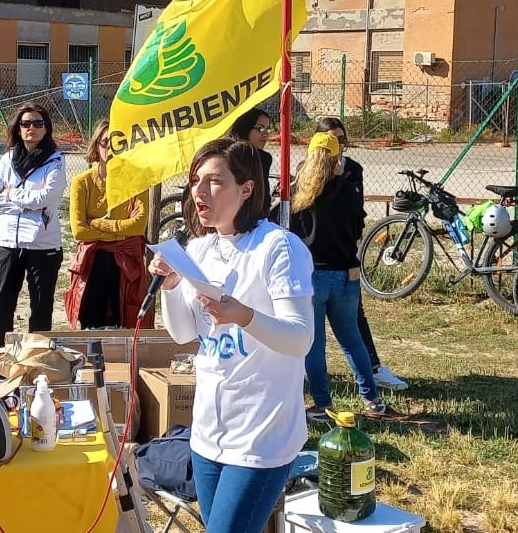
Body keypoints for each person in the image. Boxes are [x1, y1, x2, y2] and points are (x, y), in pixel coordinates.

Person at [148, 139, 314, 533]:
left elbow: (300, 338)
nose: (199, 192)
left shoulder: (278, 248)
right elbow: (185, 332)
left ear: (247, 188)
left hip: (261, 435)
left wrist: (242, 315)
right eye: (194, 181)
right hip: (208, 432)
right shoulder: (200, 248)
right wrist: (171, 287)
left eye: (214, 182)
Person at [290, 132, 396, 421]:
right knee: (352, 340)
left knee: (315, 345)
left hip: (312, 277)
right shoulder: (348, 190)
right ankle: (373, 401)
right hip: (346, 275)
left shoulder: (298, 193)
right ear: (338, 159)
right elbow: (359, 228)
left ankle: (323, 405)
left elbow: (288, 234)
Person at [315, 117, 408, 392]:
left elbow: (357, 214)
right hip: (316, 262)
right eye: (332, 139)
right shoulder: (305, 170)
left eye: (342, 140)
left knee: (354, 319)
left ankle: (373, 370)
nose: (338, 146)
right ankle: (314, 386)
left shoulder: (352, 170)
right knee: (313, 327)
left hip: (343, 259)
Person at [0, 104, 66, 354]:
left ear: (46, 128)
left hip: (43, 245)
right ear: (18, 129)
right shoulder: (8, 159)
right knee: (1, 305)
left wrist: (12, 194)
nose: (31, 128)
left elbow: (46, 198)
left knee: (41, 308)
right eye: (26, 123)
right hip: (8, 243)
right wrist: (26, 203)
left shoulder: (56, 160)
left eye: (37, 123)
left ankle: (37, 357)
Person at [65, 119, 150, 329]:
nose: (111, 148)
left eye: (118, 142)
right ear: (96, 146)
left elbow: (139, 226)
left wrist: (100, 225)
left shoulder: (137, 182)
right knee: (92, 320)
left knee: (129, 320)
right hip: (93, 260)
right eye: (105, 142)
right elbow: (79, 230)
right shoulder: (82, 182)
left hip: (128, 260)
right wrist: (121, 231)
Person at [227, 107, 273, 183]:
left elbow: (264, 193)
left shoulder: (264, 158)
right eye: (260, 129)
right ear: (245, 128)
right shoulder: (227, 156)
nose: (265, 134)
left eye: (267, 129)